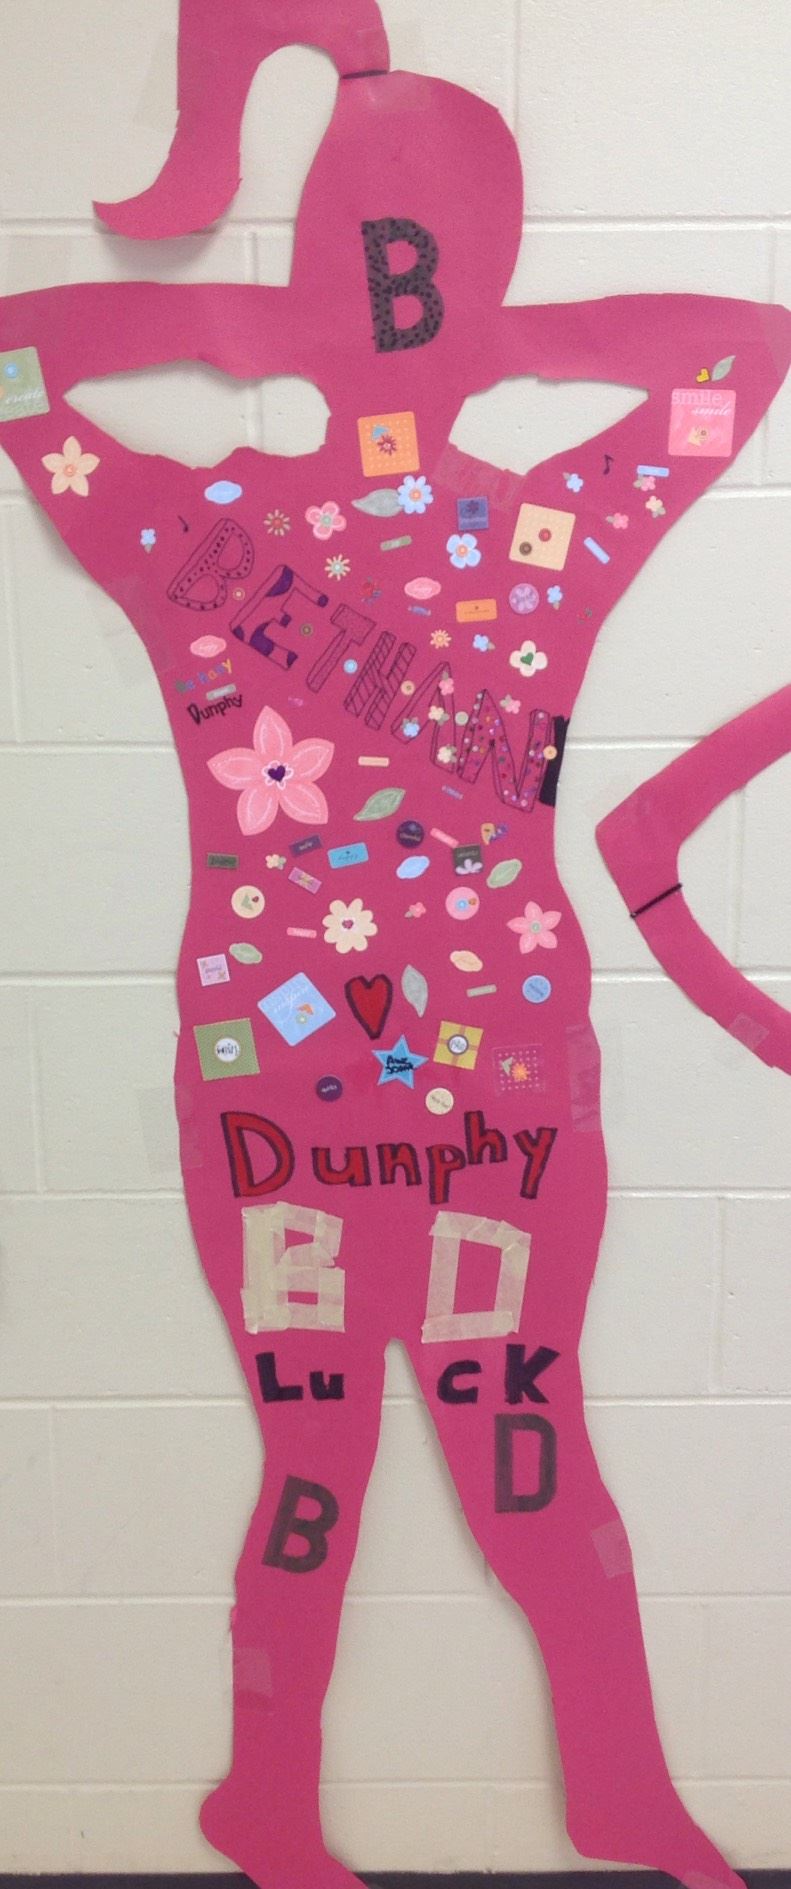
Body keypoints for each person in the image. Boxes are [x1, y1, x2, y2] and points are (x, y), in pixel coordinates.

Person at [1, 3, 789, 1884]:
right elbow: (737, 356)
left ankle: (605, 1786)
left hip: (450, 1069)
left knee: (492, 1435)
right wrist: (424, 336)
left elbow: (26, 362)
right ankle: (274, 1793)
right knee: (358, 1448)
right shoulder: (530, 530)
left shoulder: (221, 531)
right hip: (315, 1071)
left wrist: (258, 325)